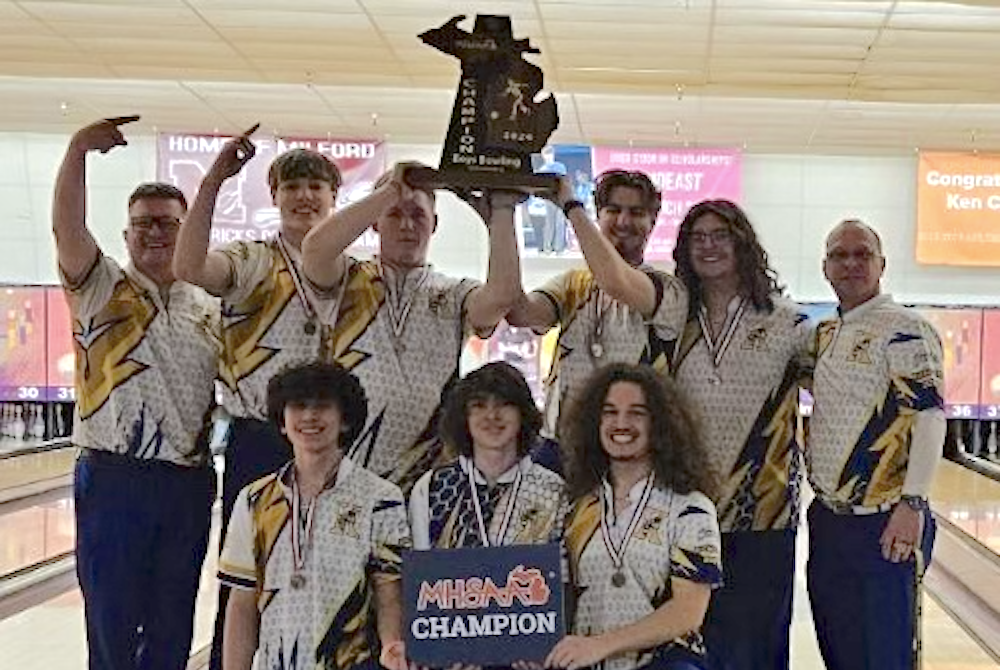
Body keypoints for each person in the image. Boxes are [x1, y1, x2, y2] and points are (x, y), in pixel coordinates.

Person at [172, 129, 343, 669]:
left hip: (332, 444)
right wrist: (214, 182)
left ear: (334, 198)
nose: (304, 196)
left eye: (316, 185)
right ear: (274, 196)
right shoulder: (249, 259)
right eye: (292, 185)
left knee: (325, 575)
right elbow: (191, 269)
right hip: (259, 441)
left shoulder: (352, 271)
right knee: (244, 580)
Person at [54, 116, 218, 669]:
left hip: (188, 483)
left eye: (169, 224)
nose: (156, 233)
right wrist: (77, 151)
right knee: (111, 622)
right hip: (113, 478)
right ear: (125, 235)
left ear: (187, 231)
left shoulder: (211, 306)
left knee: (173, 621)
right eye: (143, 223)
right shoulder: (100, 286)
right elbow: (66, 230)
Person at [300, 163, 521, 493]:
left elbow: (502, 296)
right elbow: (314, 251)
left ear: (434, 224)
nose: (406, 225)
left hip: (427, 471)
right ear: (375, 221)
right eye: (393, 214)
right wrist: (388, 192)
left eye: (418, 215)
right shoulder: (344, 279)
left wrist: (500, 215)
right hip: (342, 465)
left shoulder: (453, 293)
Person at [669, 200, 812, 670]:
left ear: (743, 243)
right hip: (686, 507)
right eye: (698, 237)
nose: (709, 246)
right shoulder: (674, 321)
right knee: (692, 640)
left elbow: (838, 392)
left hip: (764, 513)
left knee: (758, 644)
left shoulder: (787, 322)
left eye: (721, 235)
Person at [806, 219, 945, 670]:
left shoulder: (905, 327)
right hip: (829, 522)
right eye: (839, 255)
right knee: (839, 651)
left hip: (885, 522)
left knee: (885, 657)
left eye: (861, 254)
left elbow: (928, 414)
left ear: (881, 263)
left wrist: (914, 503)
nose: (850, 264)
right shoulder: (826, 334)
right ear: (825, 268)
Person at [219, 361, 410, 670]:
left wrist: (392, 645)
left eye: (322, 406)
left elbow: (388, 590)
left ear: (344, 420)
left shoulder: (381, 498)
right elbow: (241, 604)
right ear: (282, 421)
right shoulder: (253, 499)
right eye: (298, 406)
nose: (309, 416)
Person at [548, 364, 721, 670]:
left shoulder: (690, 509)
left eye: (637, 413)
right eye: (610, 412)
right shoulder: (572, 507)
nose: (621, 423)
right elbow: (553, 597)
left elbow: (687, 613)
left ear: (661, 424)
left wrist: (601, 646)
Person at [507, 170, 687, 438]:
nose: (624, 221)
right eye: (613, 210)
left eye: (636, 212)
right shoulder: (572, 284)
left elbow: (614, 281)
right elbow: (520, 313)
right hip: (562, 446)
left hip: (628, 448)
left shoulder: (667, 289)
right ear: (599, 215)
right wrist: (502, 214)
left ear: (653, 220)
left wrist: (570, 207)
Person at [409, 361, 566, 550]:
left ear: (523, 414)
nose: (491, 415)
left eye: (504, 405)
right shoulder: (432, 487)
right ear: (464, 417)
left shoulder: (553, 490)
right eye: (479, 405)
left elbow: (561, 572)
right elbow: (419, 570)